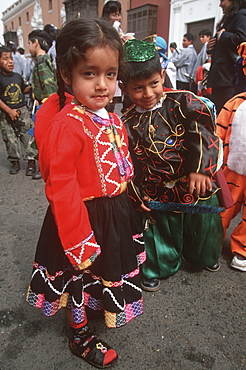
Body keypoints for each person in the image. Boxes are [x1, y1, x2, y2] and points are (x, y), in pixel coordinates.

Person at [26, 18, 145, 369]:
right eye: (90, 74)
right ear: (67, 74)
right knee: (78, 275)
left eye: (110, 75)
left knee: (102, 272)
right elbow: (61, 186)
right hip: (79, 218)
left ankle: (93, 309)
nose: (103, 85)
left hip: (111, 213)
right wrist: (78, 239)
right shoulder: (68, 124)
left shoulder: (111, 117)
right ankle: (78, 334)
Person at [120, 39, 224, 292]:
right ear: (124, 88)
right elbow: (127, 163)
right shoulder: (126, 122)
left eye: (154, 84)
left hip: (195, 183)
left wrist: (200, 169)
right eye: (138, 88)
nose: (147, 94)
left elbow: (204, 133)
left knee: (203, 226)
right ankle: (159, 267)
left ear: (163, 76)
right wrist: (135, 196)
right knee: (158, 232)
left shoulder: (184, 102)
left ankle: (204, 257)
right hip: (156, 189)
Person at [216, 88, 246, 271]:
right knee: (224, 207)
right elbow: (218, 133)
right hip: (232, 170)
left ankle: (242, 249)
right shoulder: (235, 102)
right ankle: (213, 241)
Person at [0, 46, 37, 175]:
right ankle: (14, 161)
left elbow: (23, 89)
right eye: (5, 59)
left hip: (22, 110)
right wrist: (9, 111)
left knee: (27, 135)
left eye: (11, 58)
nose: (10, 62)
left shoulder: (16, 76)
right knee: (10, 138)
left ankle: (31, 161)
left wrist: (34, 86)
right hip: (6, 112)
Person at [28, 29, 57, 179]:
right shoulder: (43, 59)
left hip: (45, 105)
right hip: (42, 103)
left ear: (36, 43)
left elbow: (48, 85)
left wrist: (47, 105)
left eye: (30, 43)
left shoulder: (41, 61)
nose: (29, 47)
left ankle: (45, 167)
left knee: (43, 137)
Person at [207, 0, 246, 113]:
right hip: (222, 78)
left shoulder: (241, 14)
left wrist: (223, 35)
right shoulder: (230, 18)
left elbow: (242, 40)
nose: (220, 4)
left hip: (229, 78)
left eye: (222, 0)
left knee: (227, 114)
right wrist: (211, 45)